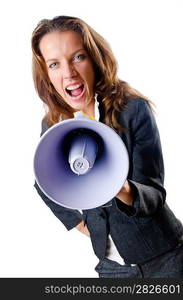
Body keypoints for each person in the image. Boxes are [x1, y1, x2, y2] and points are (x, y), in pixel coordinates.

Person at [31, 15, 183, 278]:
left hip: (164, 258)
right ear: (46, 73)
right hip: (111, 268)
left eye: (78, 57)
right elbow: (44, 182)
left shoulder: (132, 109)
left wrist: (120, 187)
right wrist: (79, 223)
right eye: (54, 64)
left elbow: (155, 195)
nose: (69, 73)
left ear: (94, 58)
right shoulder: (53, 125)